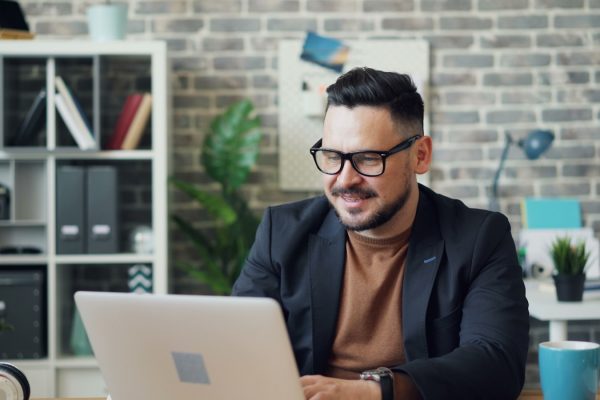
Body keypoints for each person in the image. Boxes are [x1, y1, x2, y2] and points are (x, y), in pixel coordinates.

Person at [233, 67, 529, 400]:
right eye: (332, 156)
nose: (345, 180)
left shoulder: (478, 238)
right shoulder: (282, 232)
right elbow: (237, 347)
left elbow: (497, 365)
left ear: (420, 155)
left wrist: (374, 391)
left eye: (368, 159)